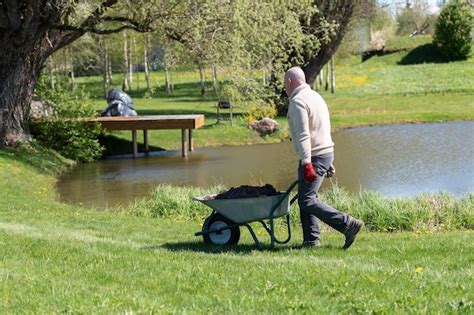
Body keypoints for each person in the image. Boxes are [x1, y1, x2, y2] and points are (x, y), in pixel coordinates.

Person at [284, 66, 363, 249]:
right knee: (307, 197)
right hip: (323, 153)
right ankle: (311, 240)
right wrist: (328, 160)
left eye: (285, 84)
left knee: (307, 200)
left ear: (290, 82)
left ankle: (347, 224)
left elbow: (304, 134)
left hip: (313, 156)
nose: (285, 88)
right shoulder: (316, 96)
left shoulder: (298, 101)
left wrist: (306, 163)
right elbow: (321, 128)